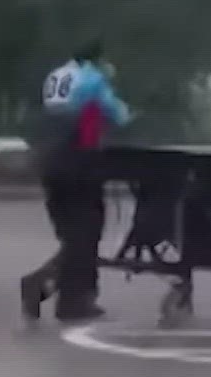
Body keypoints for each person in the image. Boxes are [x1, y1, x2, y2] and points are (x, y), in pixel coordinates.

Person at [20, 41, 132, 323]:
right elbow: (115, 115)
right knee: (86, 232)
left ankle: (52, 289)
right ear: (97, 58)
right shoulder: (92, 79)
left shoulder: (56, 77)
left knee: (75, 236)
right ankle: (70, 301)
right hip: (77, 160)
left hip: (50, 161)